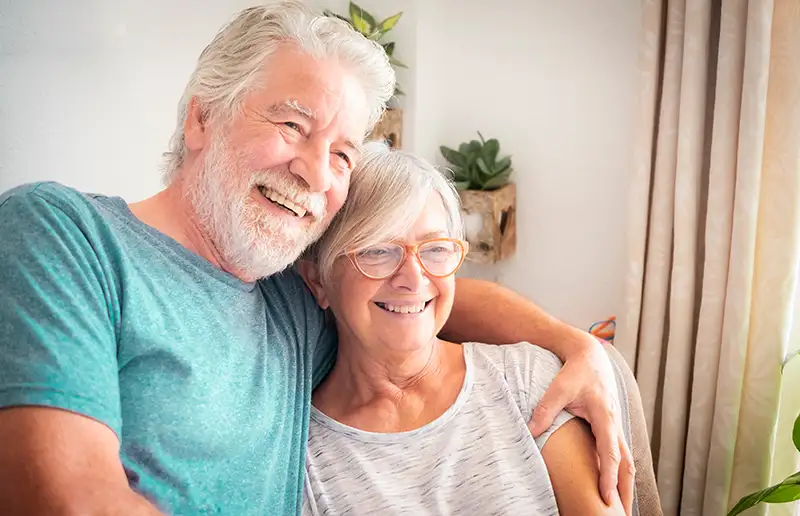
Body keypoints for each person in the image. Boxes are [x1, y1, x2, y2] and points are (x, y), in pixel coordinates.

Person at [0, 2, 632, 515]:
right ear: (201, 118)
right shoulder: (65, 235)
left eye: (343, 153)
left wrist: (577, 348)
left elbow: (420, 295)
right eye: (293, 126)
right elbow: (65, 498)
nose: (313, 172)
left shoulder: (288, 295)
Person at [298, 144, 629, 516]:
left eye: (435, 249)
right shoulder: (303, 460)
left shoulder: (529, 381)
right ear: (318, 281)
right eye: (377, 250)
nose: (413, 278)